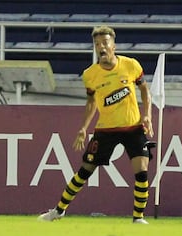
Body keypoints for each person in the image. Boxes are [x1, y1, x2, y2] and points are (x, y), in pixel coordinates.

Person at [38, 26, 154, 224]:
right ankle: (59, 210)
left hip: (133, 127)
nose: (101, 47)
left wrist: (147, 115)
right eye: (97, 44)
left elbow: (144, 89)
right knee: (85, 170)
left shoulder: (131, 65)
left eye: (104, 43)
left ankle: (138, 218)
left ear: (113, 45)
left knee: (142, 170)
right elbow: (91, 101)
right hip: (106, 130)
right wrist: (84, 127)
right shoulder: (90, 75)